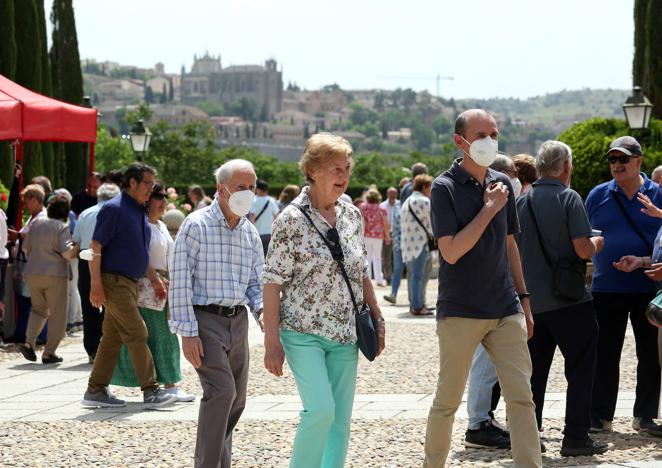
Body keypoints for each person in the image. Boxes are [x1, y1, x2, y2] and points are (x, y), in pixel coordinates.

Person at [424, 109, 541, 468]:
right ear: (460, 142)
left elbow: (510, 247)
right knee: (448, 400)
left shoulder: (503, 185)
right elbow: (452, 251)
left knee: (522, 398)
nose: (490, 140)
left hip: (505, 308)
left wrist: (524, 301)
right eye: (481, 135)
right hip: (461, 310)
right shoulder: (444, 188)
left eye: (494, 133)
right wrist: (489, 209)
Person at [263, 133, 385, 468]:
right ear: (313, 170)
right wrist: (271, 340)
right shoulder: (290, 219)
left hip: (346, 334)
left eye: (346, 168)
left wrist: (377, 314)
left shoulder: (352, 216)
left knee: (340, 422)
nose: (343, 175)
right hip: (302, 332)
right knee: (320, 409)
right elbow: (272, 282)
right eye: (335, 168)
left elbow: (360, 272)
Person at [169, 159, 264, 468]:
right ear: (221, 190)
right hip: (204, 318)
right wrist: (187, 332)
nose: (248, 193)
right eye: (241, 187)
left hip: (238, 321)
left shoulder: (249, 233)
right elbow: (180, 278)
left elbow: (255, 283)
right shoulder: (195, 225)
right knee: (221, 392)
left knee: (237, 399)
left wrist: (266, 317)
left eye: (252, 187)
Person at [517, 140, 608, 456]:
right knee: (582, 367)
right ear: (566, 167)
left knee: (534, 372)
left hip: (532, 302)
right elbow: (582, 249)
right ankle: (576, 437)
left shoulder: (522, 202)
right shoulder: (569, 198)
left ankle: (530, 436)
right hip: (569, 301)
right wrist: (597, 242)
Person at [81, 162, 177, 410]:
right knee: (137, 332)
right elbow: (95, 246)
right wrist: (95, 285)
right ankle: (151, 390)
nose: (151, 188)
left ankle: (95, 390)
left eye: (152, 184)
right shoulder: (115, 209)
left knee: (112, 338)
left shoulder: (138, 211)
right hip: (114, 282)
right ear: (132, 183)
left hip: (130, 283)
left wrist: (154, 279)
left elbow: (139, 252)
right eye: (147, 183)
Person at [586, 135, 662, 433]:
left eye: (623, 159)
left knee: (650, 355)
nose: (616, 165)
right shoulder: (597, 195)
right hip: (607, 287)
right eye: (613, 159)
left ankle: (644, 415)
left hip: (648, 287)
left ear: (639, 161)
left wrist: (643, 260)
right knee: (605, 352)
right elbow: (585, 232)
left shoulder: (657, 194)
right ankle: (600, 415)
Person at [112, 183, 194, 402]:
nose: (163, 202)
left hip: (162, 287)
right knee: (154, 337)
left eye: (164, 197)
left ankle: (170, 382)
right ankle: (162, 383)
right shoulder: (140, 225)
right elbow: (139, 255)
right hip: (146, 287)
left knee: (165, 336)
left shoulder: (160, 225)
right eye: (159, 197)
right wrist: (154, 278)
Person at [18, 195, 79, 363]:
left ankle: (29, 343)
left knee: (38, 309)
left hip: (32, 273)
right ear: (66, 212)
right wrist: (78, 248)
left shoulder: (37, 223)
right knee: (58, 315)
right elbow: (67, 253)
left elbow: (25, 247)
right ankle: (49, 352)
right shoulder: (62, 226)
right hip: (55, 275)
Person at [73, 183, 121, 364]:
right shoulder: (116, 213)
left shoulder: (86, 213)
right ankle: (105, 344)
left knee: (88, 304)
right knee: (111, 304)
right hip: (108, 259)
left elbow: (76, 240)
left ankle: (92, 348)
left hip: (86, 259)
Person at [7, 184, 48, 344]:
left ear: (34, 199)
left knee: (33, 303)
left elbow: (36, 239)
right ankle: (25, 334)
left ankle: (37, 335)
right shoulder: (34, 216)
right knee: (27, 302)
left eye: (26, 200)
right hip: (27, 267)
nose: (24, 204)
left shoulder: (42, 217)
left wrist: (17, 235)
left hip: (34, 267)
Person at [401, 174, 434, 316]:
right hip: (421, 244)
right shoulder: (425, 201)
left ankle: (417, 303)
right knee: (419, 277)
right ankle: (418, 306)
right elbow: (434, 221)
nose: (431, 190)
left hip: (408, 245)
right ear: (424, 186)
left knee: (414, 276)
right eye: (430, 186)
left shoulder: (407, 201)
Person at [361, 188, 390, 287]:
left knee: (367, 258)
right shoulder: (382, 209)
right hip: (378, 236)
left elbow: (361, 222)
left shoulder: (363, 207)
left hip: (366, 235)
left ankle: (367, 280)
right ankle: (379, 280)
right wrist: (388, 236)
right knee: (378, 258)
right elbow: (386, 224)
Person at [249, 179, 280, 256]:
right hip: (269, 233)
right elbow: (277, 216)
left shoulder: (253, 200)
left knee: (257, 256)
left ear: (258, 189)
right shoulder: (272, 200)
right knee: (267, 256)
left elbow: (252, 217)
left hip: (257, 233)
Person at [379, 187, 400, 285]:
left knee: (398, 257)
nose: (392, 196)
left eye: (394, 194)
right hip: (386, 234)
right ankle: (388, 278)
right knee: (386, 257)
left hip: (398, 233)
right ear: (387, 194)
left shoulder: (400, 204)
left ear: (397, 194)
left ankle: (397, 277)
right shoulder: (382, 205)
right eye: (390, 194)